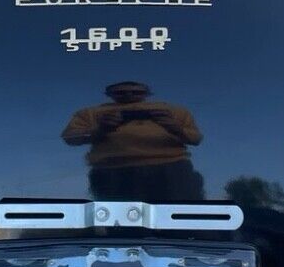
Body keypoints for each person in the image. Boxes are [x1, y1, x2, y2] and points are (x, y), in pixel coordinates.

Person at [62, 81, 205, 203]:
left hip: (172, 167)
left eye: (136, 92)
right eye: (121, 92)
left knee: (181, 217)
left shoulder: (174, 111)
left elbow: (195, 139)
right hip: (113, 171)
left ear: (147, 94)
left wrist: (173, 127)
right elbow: (70, 137)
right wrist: (100, 130)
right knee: (120, 222)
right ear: (109, 95)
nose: (129, 95)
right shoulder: (91, 113)